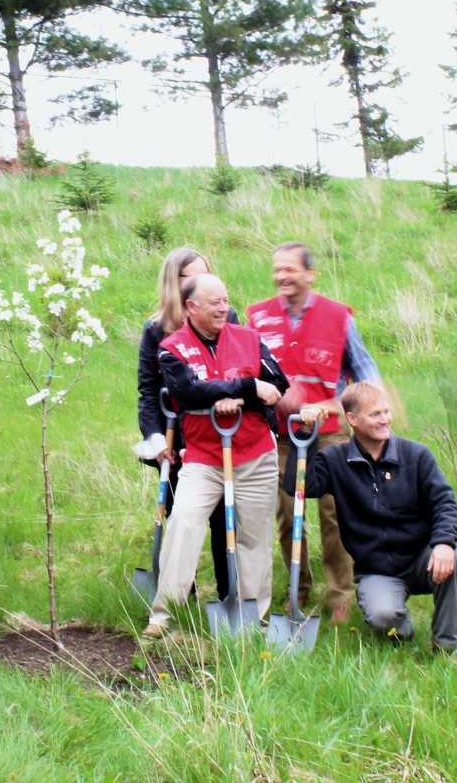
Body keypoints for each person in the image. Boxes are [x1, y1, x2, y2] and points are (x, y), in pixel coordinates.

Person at [143, 273, 288, 637]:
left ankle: (251, 618)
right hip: (204, 457)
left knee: (253, 537)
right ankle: (164, 613)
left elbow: (278, 386)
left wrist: (239, 398)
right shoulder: (172, 348)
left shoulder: (250, 339)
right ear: (191, 307)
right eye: (214, 302)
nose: (224, 308)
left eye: (225, 300)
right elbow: (189, 392)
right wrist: (246, 384)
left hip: (255, 454)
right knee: (184, 523)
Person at [246, 241, 381, 624]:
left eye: (289, 269)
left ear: (309, 274)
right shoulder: (257, 318)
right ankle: (296, 591)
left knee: (335, 514)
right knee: (289, 515)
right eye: (277, 269)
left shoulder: (338, 317)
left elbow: (365, 374)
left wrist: (341, 406)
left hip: (331, 435)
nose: (281, 276)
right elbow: (244, 369)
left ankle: (341, 594)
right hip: (281, 435)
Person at [290, 382, 457, 652]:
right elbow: (299, 486)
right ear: (352, 419)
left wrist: (443, 542)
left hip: (422, 558)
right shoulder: (335, 460)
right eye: (376, 414)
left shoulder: (416, 455)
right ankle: (403, 630)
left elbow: (444, 502)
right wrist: (306, 435)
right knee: (383, 616)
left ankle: (446, 647)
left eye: (386, 412)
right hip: (376, 570)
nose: (385, 419)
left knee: (454, 558)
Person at [136, 247, 238, 600]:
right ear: (174, 282)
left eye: (204, 273)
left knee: (226, 522)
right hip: (175, 439)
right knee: (183, 518)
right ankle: (182, 596)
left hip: (222, 434)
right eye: (190, 276)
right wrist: (154, 440)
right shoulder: (156, 330)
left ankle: (230, 596)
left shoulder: (227, 318)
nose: (199, 282)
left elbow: (240, 369)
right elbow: (148, 391)